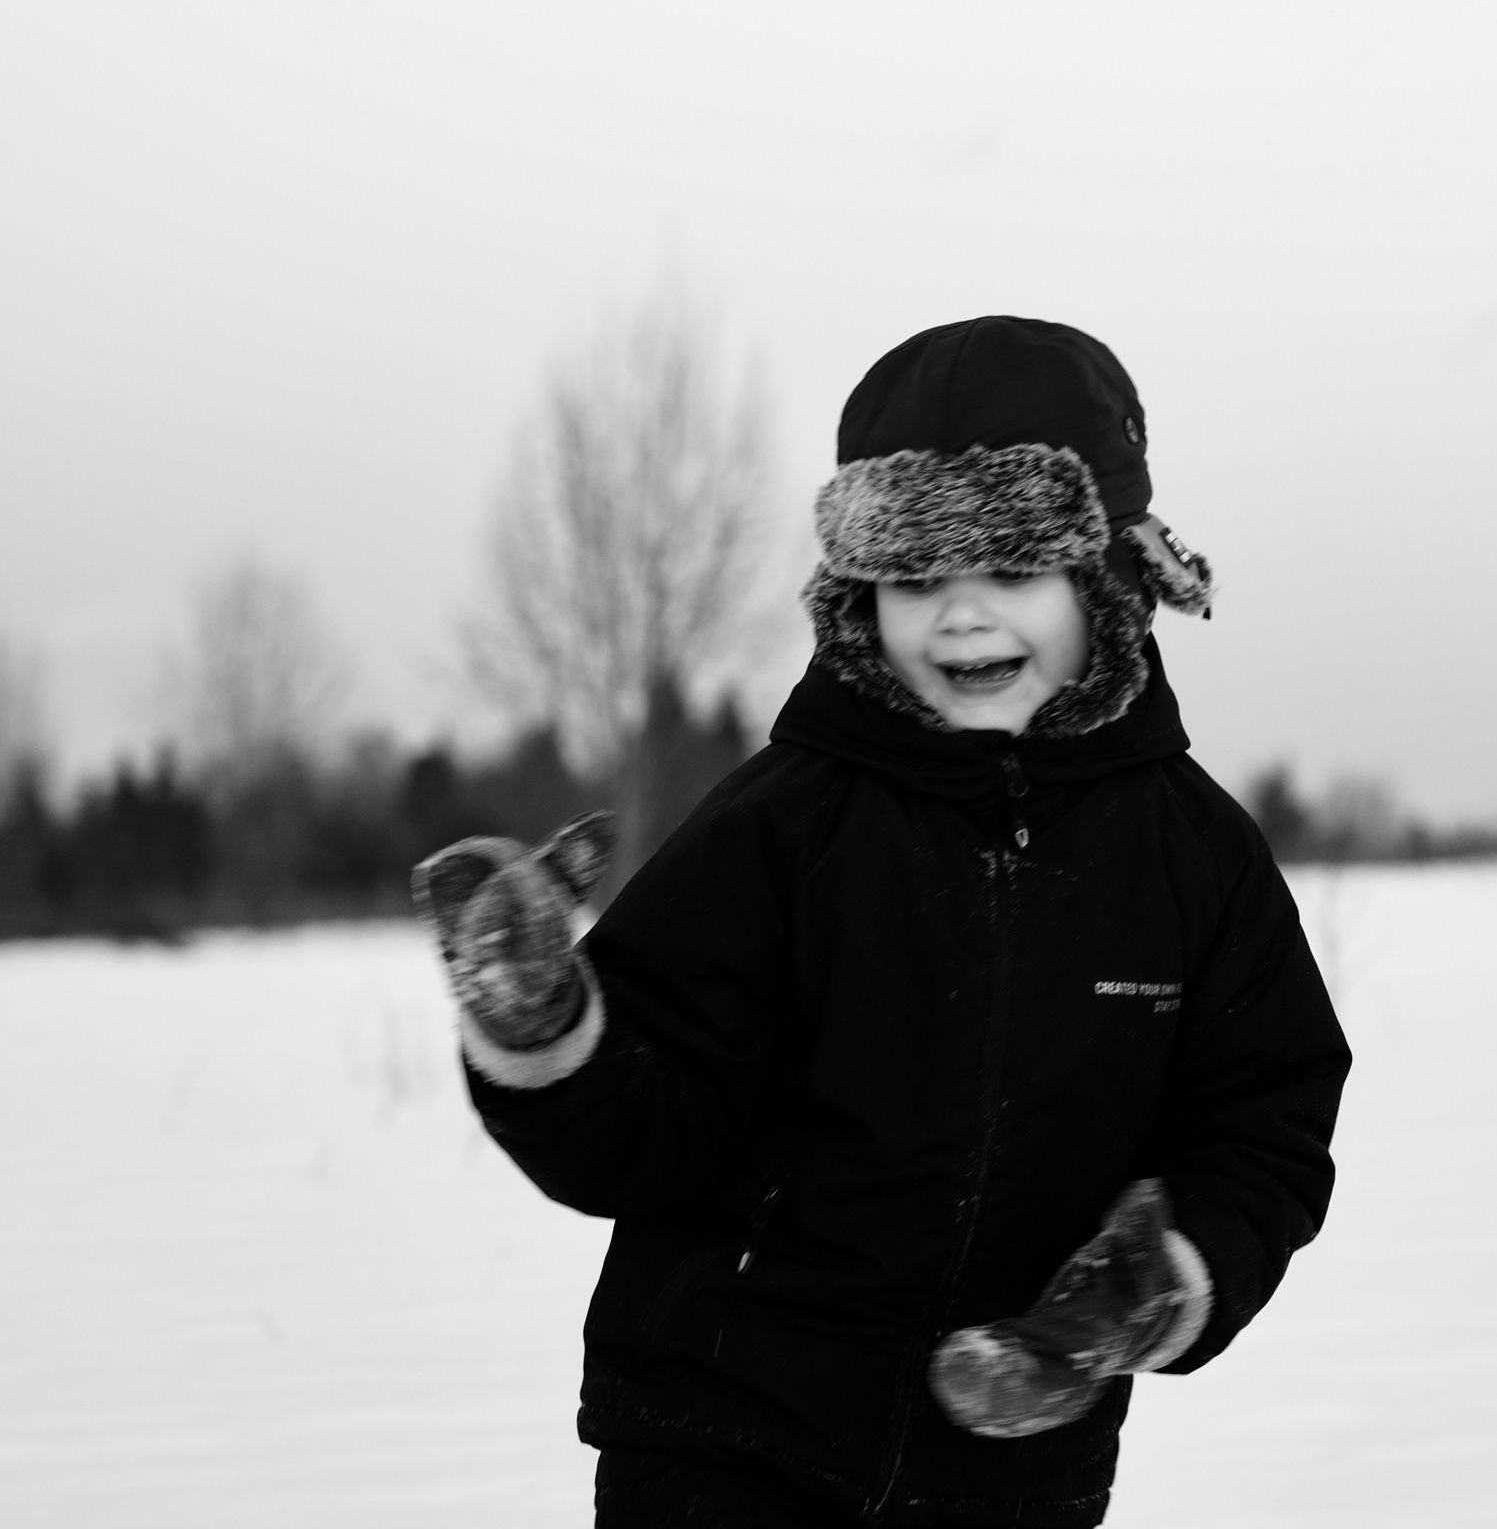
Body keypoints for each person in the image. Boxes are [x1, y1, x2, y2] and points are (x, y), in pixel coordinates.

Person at [412, 317, 1352, 1527]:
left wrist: (1160, 1280)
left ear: (1116, 577)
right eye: (916, 580)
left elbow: (1264, 1124)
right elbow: (645, 1130)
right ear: (862, 593)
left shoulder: (1192, 857)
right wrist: (544, 1023)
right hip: (721, 1441)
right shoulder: (784, 826)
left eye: (1011, 573)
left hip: (1011, 1461)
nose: (959, 619)